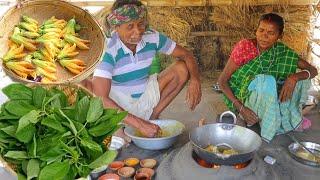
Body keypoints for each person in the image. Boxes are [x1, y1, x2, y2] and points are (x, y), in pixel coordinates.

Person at [84, 0, 201, 138]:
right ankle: (124, 124)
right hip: (118, 103)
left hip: (145, 95)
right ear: (117, 26)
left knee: (182, 69)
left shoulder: (152, 36)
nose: (138, 31)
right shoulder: (108, 48)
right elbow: (101, 99)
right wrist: (140, 125)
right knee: (91, 86)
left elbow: (186, 55)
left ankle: (152, 117)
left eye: (141, 24)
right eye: (130, 26)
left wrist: (195, 80)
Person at [218, 13, 318, 142]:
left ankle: (281, 116)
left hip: (269, 98)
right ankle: (271, 126)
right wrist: (241, 108)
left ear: (279, 36)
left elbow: (313, 71)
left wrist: (294, 77)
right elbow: (222, 81)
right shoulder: (245, 47)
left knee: (302, 79)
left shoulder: (282, 51)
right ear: (256, 30)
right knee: (267, 80)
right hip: (244, 100)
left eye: (271, 33)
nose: (264, 36)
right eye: (261, 30)